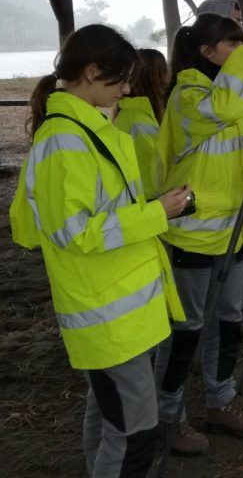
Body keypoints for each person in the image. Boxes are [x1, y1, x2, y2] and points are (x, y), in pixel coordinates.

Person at [9, 24, 190, 477]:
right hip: (105, 313)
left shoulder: (88, 128)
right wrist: (157, 214)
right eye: (121, 79)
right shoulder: (64, 139)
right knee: (133, 436)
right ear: (91, 72)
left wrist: (153, 209)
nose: (127, 89)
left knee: (111, 419)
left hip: (121, 309)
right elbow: (73, 232)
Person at [153, 13, 243, 456]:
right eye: (231, 44)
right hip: (192, 235)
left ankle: (220, 403)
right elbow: (221, 109)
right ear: (206, 52)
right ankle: (169, 417)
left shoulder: (234, 87)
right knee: (185, 332)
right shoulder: (189, 95)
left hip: (231, 233)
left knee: (229, 323)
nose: (242, 51)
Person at [113, 48, 170, 200]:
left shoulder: (136, 114)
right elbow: (159, 171)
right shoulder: (138, 121)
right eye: (166, 71)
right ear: (156, 78)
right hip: (148, 202)